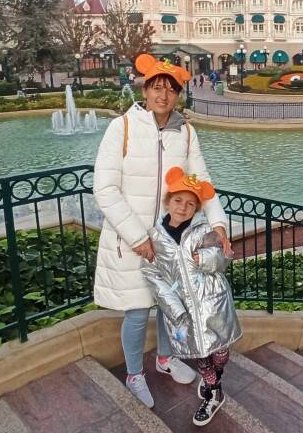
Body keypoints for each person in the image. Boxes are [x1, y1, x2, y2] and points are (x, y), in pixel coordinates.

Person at [92, 53, 230, 409]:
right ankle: (134, 374)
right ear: (145, 89)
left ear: (178, 94)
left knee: (172, 307)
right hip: (131, 239)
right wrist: (138, 237)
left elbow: (203, 183)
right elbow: (104, 189)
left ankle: (166, 358)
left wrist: (218, 225)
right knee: (138, 310)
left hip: (172, 239)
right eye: (156, 87)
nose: (163, 95)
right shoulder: (122, 127)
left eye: (170, 89)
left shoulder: (186, 132)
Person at [141, 167, 241, 427]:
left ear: (196, 208)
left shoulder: (205, 230)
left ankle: (214, 378)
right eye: (178, 200)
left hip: (212, 303)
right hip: (182, 307)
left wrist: (205, 258)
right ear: (168, 202)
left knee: (219, 351)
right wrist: (174, 308)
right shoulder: (156, 236)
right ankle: (214, 392)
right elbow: (152, 273)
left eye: (190, 204)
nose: (183, 208)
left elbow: (223, 259)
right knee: (200, 353)